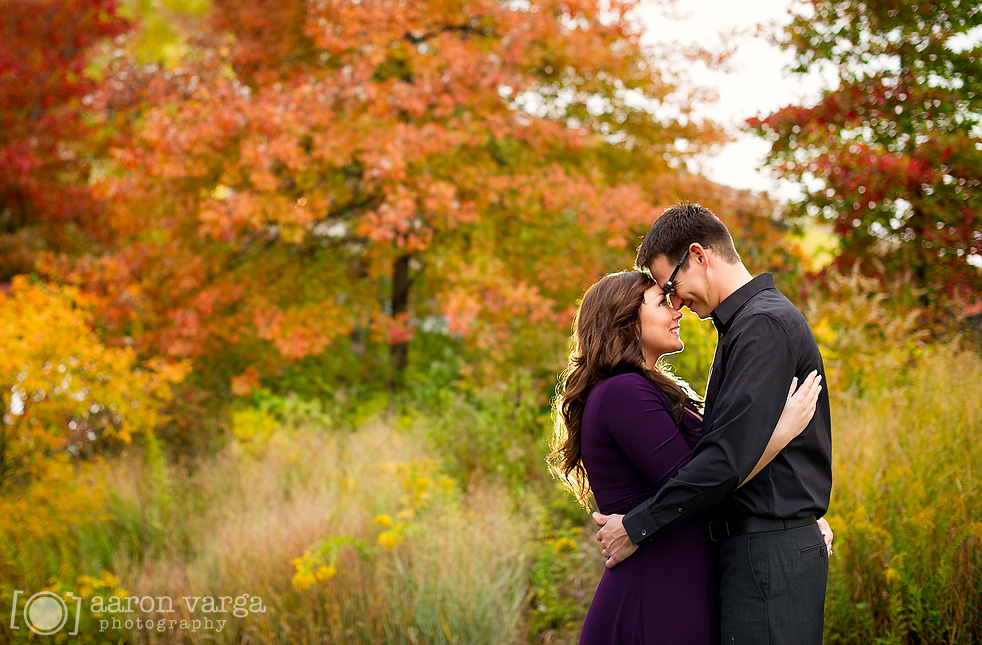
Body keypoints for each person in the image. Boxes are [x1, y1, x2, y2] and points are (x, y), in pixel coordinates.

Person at [594, 202, 833, 644]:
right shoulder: (743, 327)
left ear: (700, 256)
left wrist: (636, 526)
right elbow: (722, 452)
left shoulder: (762, 326)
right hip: (759, 551)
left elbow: (722, 461)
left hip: (768, 556)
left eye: (672, 285)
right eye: (666, 296)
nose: (677, 301)